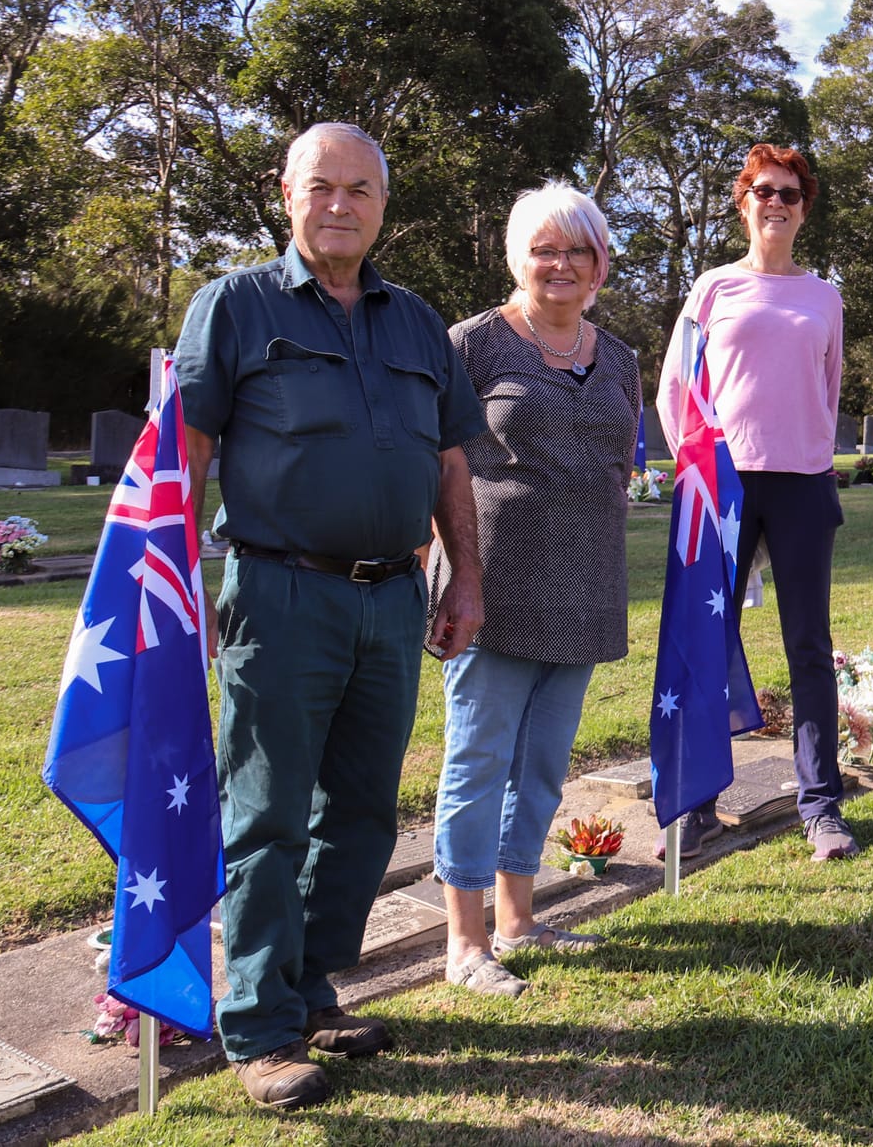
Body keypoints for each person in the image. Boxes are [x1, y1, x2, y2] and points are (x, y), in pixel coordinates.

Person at [176, 123, 486, 1110]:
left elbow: (448, 463)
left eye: (360, 189)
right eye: (322, 187)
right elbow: (184, 453)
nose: (340, 204)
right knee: (265, 816)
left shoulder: (416, 325)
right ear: (286, 194)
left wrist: (464, 578)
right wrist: (177, 587)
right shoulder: (234, 307)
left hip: (392, 597)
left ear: (384, 205)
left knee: (354, 813)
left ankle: (311, 991)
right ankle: (259, 1027)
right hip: (280, 593)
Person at [430, 183, 640, 996]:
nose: (560, 264)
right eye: (543, 249)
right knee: (479, 758)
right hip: (492, 585)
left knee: (545, 763)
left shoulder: (617, 354)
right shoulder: (473, 344)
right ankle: (464, 940)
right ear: (517, 256)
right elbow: (436, 465)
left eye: (576, 250)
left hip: (587, 584)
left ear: (599, 263)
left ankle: (520, 919)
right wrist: (442, 575)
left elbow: (621, 459)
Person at [655, 144, 853, 861]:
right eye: (764, 190)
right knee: (706, 639)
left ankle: (822, 806)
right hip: (721, 486)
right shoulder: (711, 289)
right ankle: (694, 803)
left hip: (802, 485)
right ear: (743, 202)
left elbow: (826, 394)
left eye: (791, 194)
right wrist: (697, 467)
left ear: (805, 208)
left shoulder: (824, 297)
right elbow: (675, 389)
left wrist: (805, 454)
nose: (777, 202)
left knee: (808, 648)